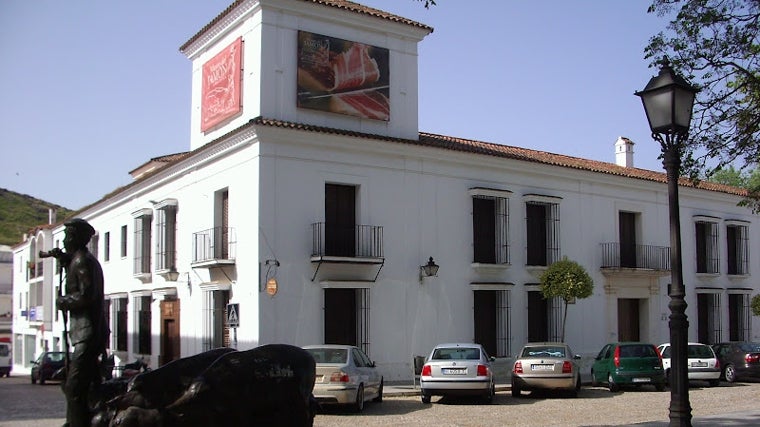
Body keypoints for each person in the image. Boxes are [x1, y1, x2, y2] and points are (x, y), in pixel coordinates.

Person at [49, 218, 107, 427]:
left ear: (75, 237)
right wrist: (64, 261)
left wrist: (62, 301)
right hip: (83, 332)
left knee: (74, 386)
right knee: (89, 384)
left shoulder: (83, 261)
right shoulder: (80, 260)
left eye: (67, 235)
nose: (64, 240)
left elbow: (86, 295)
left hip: (87, 332)